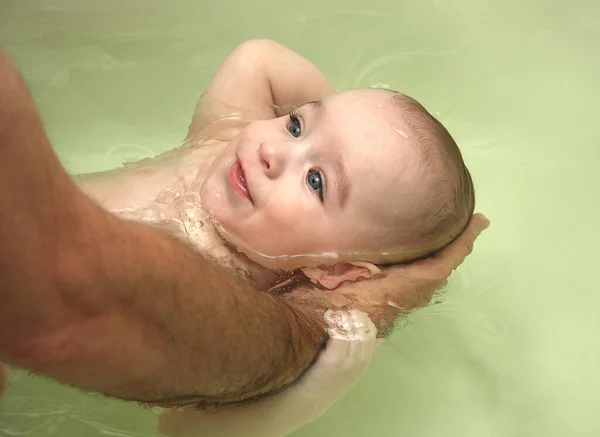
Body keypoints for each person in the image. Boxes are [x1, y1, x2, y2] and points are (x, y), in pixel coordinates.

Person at [0, 40, 488, 410]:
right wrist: (346, 136)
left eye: (316, 181)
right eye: (296, 125)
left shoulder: (258, 291)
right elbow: (259, 58)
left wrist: (324, 376)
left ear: (335, 271)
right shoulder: (220, 139)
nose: (274, 151)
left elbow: (191, 423)